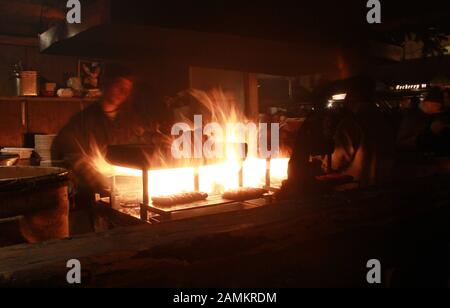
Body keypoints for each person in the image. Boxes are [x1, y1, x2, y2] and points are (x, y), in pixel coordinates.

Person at [52, 65, 165, 231]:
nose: (123, 92)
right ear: (106, 86)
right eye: (119, 86)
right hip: (90, 199)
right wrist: (88, 172)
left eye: (127, 89)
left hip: (127, 194)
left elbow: (143, 146)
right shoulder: (83, 121)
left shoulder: (129, 120)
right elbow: (63, 150)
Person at [331, 76, 396, 187]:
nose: (346, 97)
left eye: (347, 93)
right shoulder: (385, 121)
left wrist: (320, 160)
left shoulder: (352, 122)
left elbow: (337, 161)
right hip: (383, 187)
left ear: (354, 94)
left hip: (355, 190)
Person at [417, 88, 450, 156]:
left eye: (446, 97)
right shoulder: (438, 116)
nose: (445, 100)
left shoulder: (442, 116)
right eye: (444, 97)